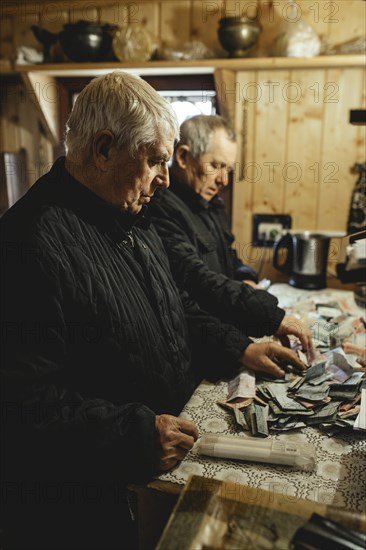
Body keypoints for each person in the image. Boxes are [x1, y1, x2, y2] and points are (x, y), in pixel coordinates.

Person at [1, 74, 308, 550]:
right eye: (155, 160)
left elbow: (174, 307)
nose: (165, 179)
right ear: (104, 150)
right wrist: (134, 436)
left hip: (164, 454)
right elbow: (23, 410)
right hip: (96, 501)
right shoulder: (27, 244)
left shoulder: (130, 212)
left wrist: (240, 348)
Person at [149, 114, 312, 362]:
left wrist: (245, 277)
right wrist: (269, 315)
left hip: (224, 334)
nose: (224, 180)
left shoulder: (211, 203)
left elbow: (230, 255)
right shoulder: (160, 208)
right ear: (182, 157)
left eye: (228, 169)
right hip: (197, 349)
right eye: (215, 166)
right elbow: (196, 279)